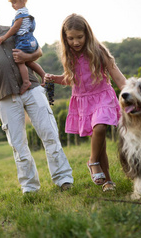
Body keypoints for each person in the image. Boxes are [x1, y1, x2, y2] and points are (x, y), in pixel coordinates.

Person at [0, 1, 74, 193]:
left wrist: (25, 58)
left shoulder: (14, 30)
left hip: (32, 89)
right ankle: (30, 188)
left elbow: (38, 51)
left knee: (50, 134)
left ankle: (64, 179)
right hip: (5, 97)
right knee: (18, 145)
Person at [45, 14, 127, 192]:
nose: (76, 42)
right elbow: (71, 80)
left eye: (79, 37)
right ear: (65, 38)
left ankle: (92, 161)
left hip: (102, 95)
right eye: (71, 38)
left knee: (100, 128)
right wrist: (55, 78)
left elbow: (116, 74)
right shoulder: (70, 55)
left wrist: (130, 92)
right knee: (101, 144)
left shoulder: (98, 50)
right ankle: (108, 181)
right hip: (84, 101)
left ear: (87, 34)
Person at [0, 0, 45, 94]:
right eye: (11, 3)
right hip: (31, 41)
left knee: (19, 61)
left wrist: (5, 36)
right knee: (28, 61)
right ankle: (43, 75)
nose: (12, 5)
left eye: (14, 2)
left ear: (23, 0)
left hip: (23, 41)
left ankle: (26, 82)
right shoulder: (26, 12)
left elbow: (15, 27)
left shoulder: (20, 13)